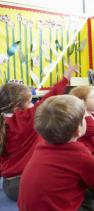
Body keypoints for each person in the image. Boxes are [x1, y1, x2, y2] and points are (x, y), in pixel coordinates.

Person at [0, 65, 77, 201]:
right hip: (29, 181)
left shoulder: (3, 122)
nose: (32, 105)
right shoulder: (25, 118)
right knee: (71, 184)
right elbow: (50, 97)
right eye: (30, 102)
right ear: (17, 109)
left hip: (9, 185)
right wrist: (66, 77)